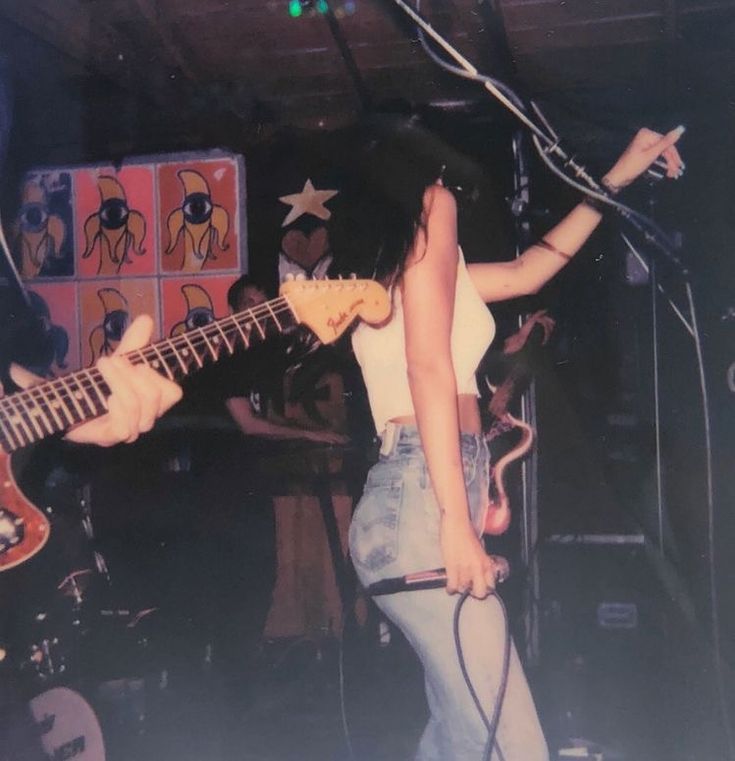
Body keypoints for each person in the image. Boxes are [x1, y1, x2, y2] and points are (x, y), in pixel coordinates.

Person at [337, 118, 684, 760]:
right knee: (511, 742)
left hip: (423, 494)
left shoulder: (423, 272)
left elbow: (530, 271)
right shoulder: (431, 210)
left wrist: (617, 178)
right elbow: (429, 369)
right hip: (420, 500)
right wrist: (454, 522)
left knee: (460, 738)